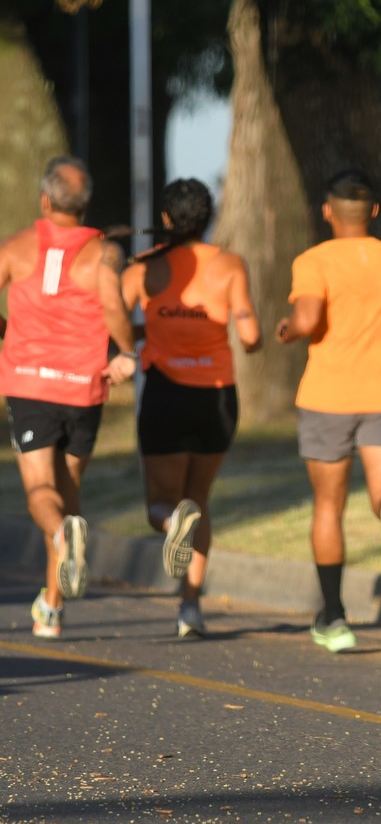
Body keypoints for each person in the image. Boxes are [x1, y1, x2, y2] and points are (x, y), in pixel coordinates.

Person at [276, 169, 381, 653]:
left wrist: (287, 329)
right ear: (374, 212)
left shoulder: (314, 260)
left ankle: (334, 617)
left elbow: (307, 318)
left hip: (327, 398)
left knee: (329, 506)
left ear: (328, 211)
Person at [0, 157, 138, 639]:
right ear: (85, 203)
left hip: (30, 384)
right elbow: (113, 304)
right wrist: (127, 354)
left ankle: (61, 538)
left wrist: (8, 330)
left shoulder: (15, 246)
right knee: (69, 492)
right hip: (82, 387)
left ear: (45, 200)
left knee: (43, 494)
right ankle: (52, 607)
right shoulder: (104, 253)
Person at [120, 179, 262, 638]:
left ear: (165, 219)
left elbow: (114, 324)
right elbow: (251, 337)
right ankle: (191, 607)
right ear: (208, 217)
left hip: (165, 394)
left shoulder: (143, 268)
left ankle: (170, 524)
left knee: (160, 505)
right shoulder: (230, 265)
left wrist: (148, 333)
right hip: (216, 397)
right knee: (198, 499)